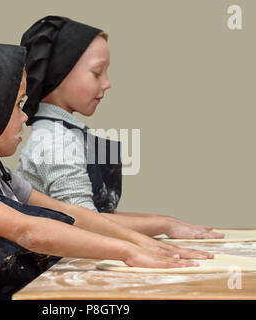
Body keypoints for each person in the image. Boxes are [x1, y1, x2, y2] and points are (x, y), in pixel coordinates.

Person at [0, 37, 212, 300]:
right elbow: (29, 231)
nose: (26, 118)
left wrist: (147, 240)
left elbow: (72, 213)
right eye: (18, 105)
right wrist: (125, 252)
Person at [17, 16, 224, 239]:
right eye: (97, 73)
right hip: (54, 266)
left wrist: (166, 221)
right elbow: (83, 221)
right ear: (59, 73)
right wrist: (162, 225)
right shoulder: (54, 140)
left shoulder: (67, 133)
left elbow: (98, 215)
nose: (107, 83)